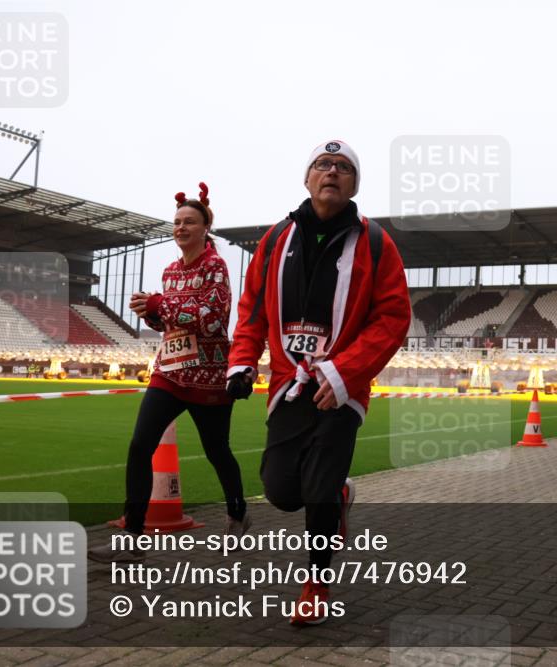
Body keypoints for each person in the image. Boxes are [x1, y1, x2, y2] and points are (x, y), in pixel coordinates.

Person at [227, 140, 411, 625]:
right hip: (288, 384)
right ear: (307, 178)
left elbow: (393, 317)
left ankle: (316, 583)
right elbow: (251, 310)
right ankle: (341, 497)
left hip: (342, 389)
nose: (332, 172)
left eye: (344, 167)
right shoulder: (275, 240)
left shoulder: (376, 243)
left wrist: (345, 371)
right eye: (323, 164)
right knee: (282, 491)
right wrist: (242, 361)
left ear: (355, 184)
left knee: (319, 489)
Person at [88, 183, 248, 564]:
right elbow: (173, 323)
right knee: (140, 446)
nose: (180, 227)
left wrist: (161, 305)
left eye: (189, 221)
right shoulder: (170, 272)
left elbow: (211, 319)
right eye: (177, 222)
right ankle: (133, 537)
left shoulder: (215, 267)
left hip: (208, 377)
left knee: (217, 451)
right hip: (170, 372)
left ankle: (238, 514)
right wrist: (152, 313)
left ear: (205, 228)